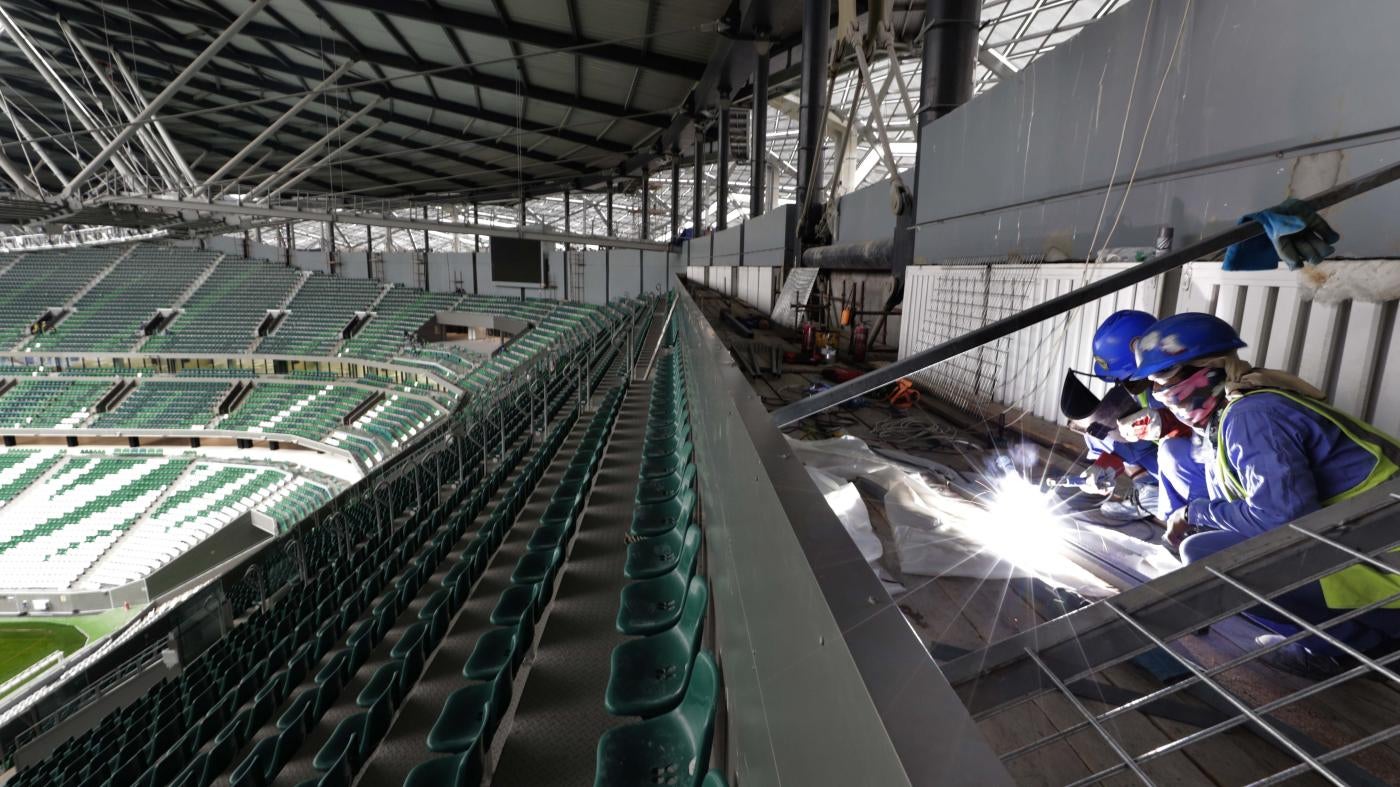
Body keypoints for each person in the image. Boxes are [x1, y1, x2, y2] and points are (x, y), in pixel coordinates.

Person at [1131, 311, 1400, 677]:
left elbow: (1282, 520)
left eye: (1165, 381)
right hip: (1366, 545)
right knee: (1210, 542)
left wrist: (1195, 513)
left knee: (1205, 556)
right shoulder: (1239, 408)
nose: (1160, 396)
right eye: (1153, 385)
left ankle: (1355, 647)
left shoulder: (1252, 416)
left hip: (1388, 571)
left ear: (1208, 368)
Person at [1076, 310, 1207, 521]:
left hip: (1199, 466)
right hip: (1168, 456)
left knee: (1171, 451)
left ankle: (1197, 512)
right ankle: (1150, 495)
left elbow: (1206, 432)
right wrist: (1106, 465)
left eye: (1127, 375)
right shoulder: (1144, 384)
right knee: (1103, 433)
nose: (1125, 382)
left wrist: (1165, 424)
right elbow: (1134, 442)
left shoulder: (1189, 376)